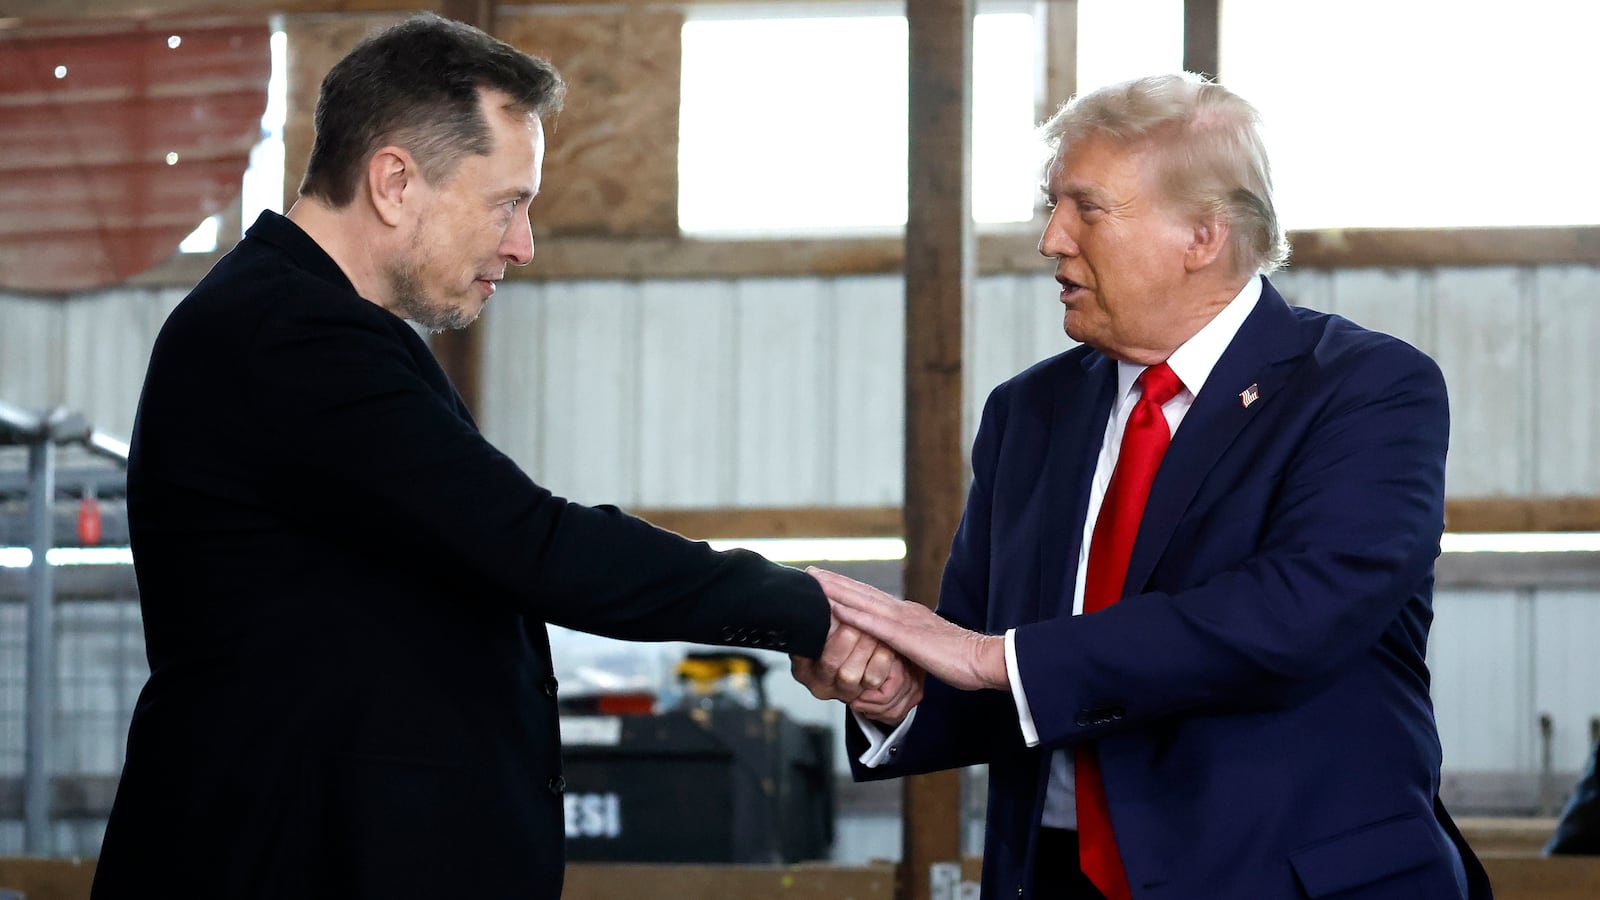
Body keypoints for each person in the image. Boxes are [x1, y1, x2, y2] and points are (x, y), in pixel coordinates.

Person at [92, 15, 917, 899]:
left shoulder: (315, 329)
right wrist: (809, 610)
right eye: (507, 202)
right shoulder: (289, 337)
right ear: (396, 182)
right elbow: (533, 545)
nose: (522, 243)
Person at [798, 73, 1493, 899]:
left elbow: (1300, 612)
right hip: (1054, 878)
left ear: (1202, 234)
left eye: (1085, 208)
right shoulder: (1031, 412)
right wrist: (897, 691)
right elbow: (997, 667)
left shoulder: (1365, 387)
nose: (1052, 239)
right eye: (1051, 206)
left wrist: (991, 657)